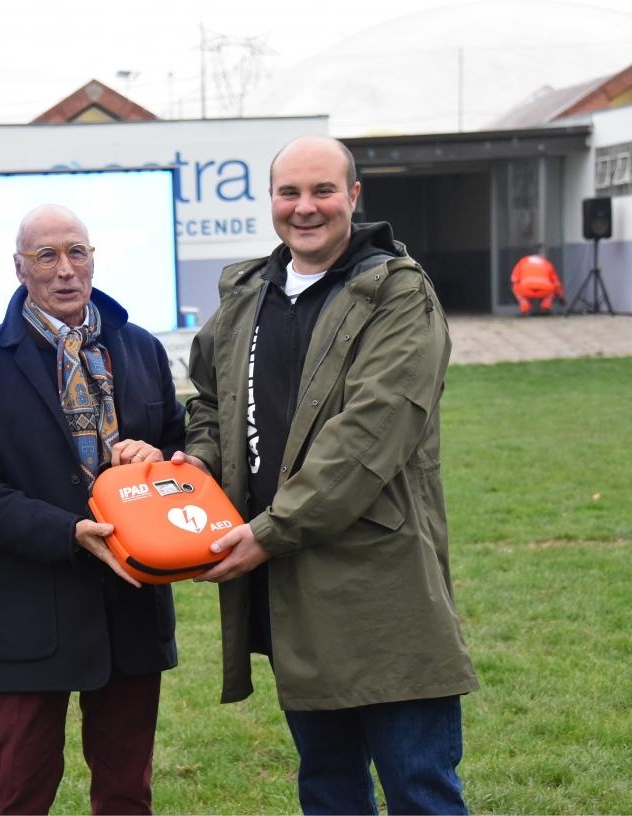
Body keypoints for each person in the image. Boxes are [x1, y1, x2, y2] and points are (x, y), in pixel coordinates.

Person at [174, 135, 478, 815]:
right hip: (291, 586)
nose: (304, 208)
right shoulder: (248, 295)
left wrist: (270, 531)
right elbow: (213, 402)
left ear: (354, 198)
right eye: (290, 192)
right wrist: (198, 466)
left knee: (418, 789)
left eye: (322, 191)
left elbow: (369, 436)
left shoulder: (399, 294)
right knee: (328, 786)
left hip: (383, 587)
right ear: (272, 201)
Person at [0, 204, 185, 815]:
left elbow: (184, 456)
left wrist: (157, 459)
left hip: (131, 597)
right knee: (21, 788)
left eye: (77, 251)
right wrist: (68, 532)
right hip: (32, 599)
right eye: (47, 255)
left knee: (127, 788)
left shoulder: (140, 348)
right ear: (19, 267)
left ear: (94, 258)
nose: (65, 269)